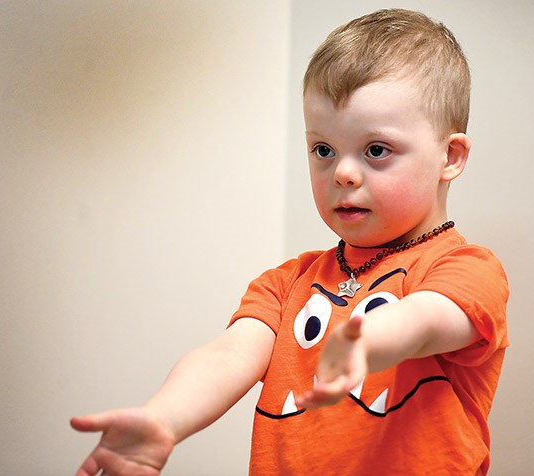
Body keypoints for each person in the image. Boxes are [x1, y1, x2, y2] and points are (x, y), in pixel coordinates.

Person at [71, 8, 509, 476]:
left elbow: (427, 318)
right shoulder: (288, 283)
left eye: (376, 150)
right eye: (323, 149)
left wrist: (368, 342)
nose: (341, 172)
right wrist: (165, 418)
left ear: (450, 156)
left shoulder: (465, 267)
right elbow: (228, 355)